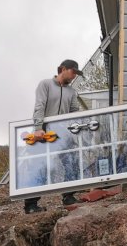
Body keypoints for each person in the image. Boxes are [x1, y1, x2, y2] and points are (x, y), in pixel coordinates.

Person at [23, 59, 84, 214]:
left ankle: (68, 197)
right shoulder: (45, 84)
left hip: (63, 134)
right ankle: (31, 204)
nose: (74, 76)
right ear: (63, 69)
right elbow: (39, 106)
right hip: (43, 132)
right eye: (73, 72)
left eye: (76, 74)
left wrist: (77, 126)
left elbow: (74, 112)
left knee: (70, 162)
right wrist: (38, 128)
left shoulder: (71, 92)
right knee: (39, 167)